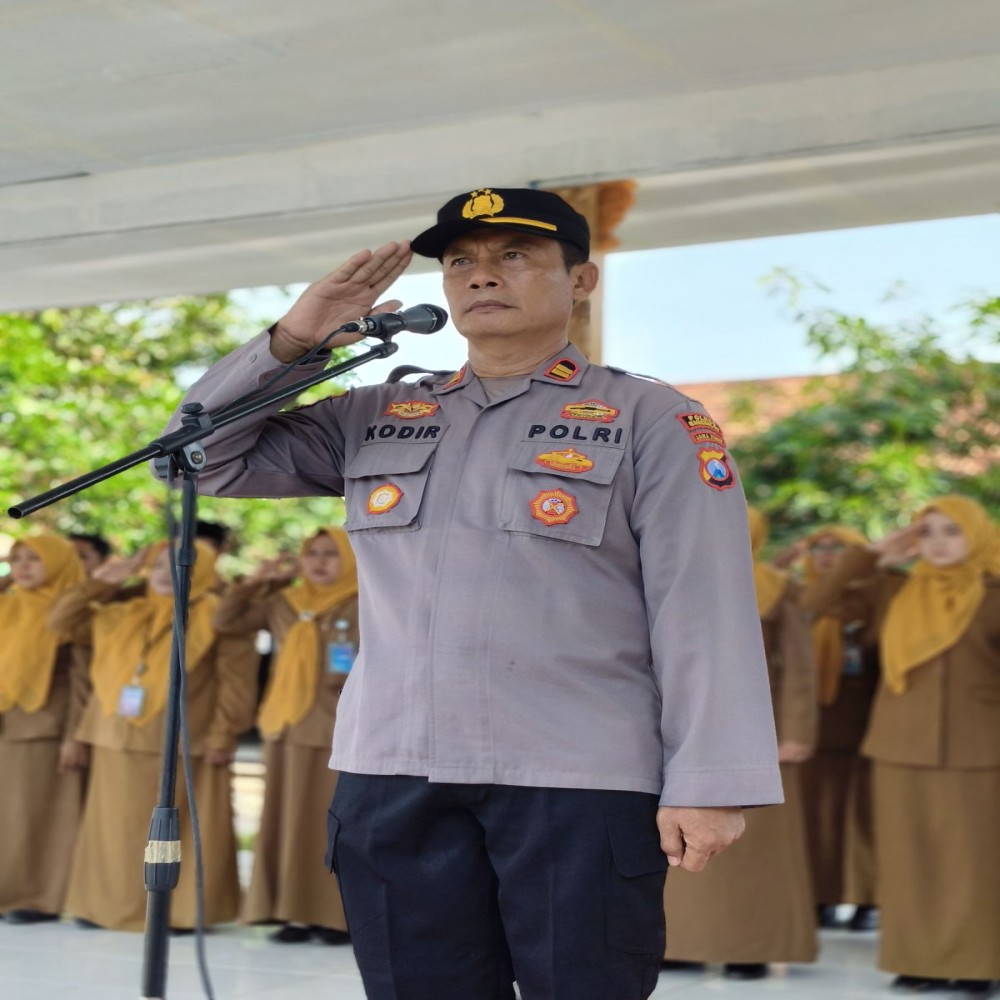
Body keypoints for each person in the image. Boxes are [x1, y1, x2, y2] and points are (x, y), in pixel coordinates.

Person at [160, 186, 783, 999]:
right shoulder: (377, 414)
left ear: (582, 281)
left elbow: (703, 608)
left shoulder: (650, 418)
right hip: (394, 771)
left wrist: (709, 782)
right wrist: (297, 337)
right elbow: (196, 458)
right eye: (461, 263)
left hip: (578, 778)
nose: (481, 276)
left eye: (513, 257)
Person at [805, 495, 1000, 994]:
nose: (937, 543)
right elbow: (812, 606)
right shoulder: (891, 591)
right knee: (908, 861)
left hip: (980, 751)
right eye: (927, 531)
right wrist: (870, 555)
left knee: (973, 864)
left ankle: (978, 964)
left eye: (951, 531)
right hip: (896, 749)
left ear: (976, 534)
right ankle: (919, 960)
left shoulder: (994, 592)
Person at [50, 540, 257, 932]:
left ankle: (177, 911)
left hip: (182, 743)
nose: (166, 573)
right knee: (114, 828)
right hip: (116, 736)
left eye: (180, 565)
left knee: (179, 830)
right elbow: (60, 624)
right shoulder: (123, 612)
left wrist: (223, 735)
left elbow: (236, 683)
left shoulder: (217, 617)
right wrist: (101, 583)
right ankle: (106, 906)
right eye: (158, 565)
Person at [662, 507, 818, 979]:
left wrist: (795, 732)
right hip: (685, 724)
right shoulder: (672, 574)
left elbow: (798, 665)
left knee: (755, 851)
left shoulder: (775, 586)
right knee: (679, 842)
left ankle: (750, 947)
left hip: (757, 732)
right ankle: (684, 943)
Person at [212, 527, 358, 944]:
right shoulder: (284, 603)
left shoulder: (366, 602)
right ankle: (293, 913)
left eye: (331, 554)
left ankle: (336, 916)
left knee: (334, 826)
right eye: (312, 553)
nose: (319, 562)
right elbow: (226, 621)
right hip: (285, 727)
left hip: (338, 731)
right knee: (289, 824)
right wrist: (258, 583)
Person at [797, 525, 880, 932]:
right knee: (817, 815)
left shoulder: (874, 594)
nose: (827, 555)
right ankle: (820, 896)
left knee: (864, 814)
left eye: (839, 548)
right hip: (814, 724)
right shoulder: (801, 594)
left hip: (865, 721)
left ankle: (869, 899)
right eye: (819, 547)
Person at [0, 535, 87, 923]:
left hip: (45, 726)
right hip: (8, 722)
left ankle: (38, 897)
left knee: (37, 817)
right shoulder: (9, 605)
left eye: (35, 559)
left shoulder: (71, 611)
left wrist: (74, 735)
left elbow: (85, 682)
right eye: (16, 559)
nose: (23, 567)